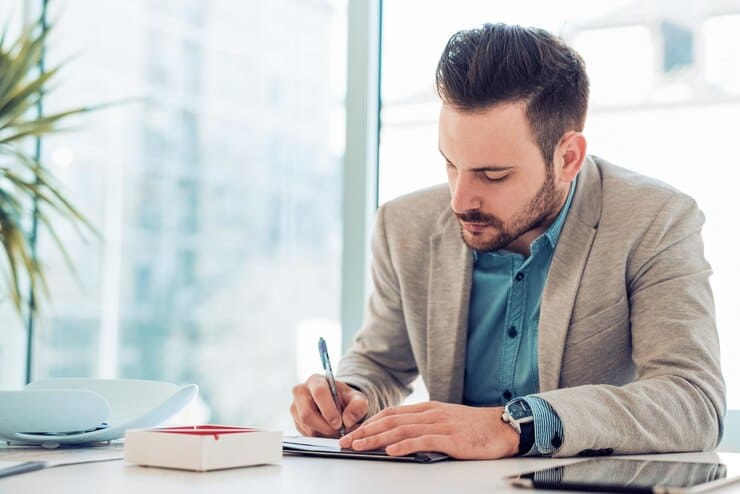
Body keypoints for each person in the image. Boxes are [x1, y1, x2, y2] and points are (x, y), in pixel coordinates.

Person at [289, 22, 725, 459]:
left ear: (567, 158)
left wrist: (517, 424)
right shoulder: (403, 226)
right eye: (451, 164)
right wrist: (348, 396)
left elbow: (693, 400)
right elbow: (380, 363)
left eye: (493, 174)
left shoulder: (654, 220)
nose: (460, 199)